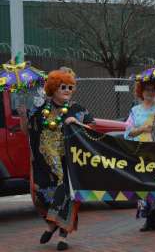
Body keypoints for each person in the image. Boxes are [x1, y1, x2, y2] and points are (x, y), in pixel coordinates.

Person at [19, 69, 94, 251]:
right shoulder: (40, 109)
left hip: (68, 162)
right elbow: (26, 131)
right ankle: (52, 225)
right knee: (42, 197)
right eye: (63, 87)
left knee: (67, 197)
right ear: (53, 88)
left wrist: (76, 123)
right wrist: (22, 115)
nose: (68, 90)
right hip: (44, 163)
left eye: (70, 87)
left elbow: (90, 130)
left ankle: (63, 236)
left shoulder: (77, 109)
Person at [124, 79, 155, 232]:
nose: (149, 92)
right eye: (147, 90)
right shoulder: (135, 110)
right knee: (143, 185)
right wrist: (143, 129)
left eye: (152, 90)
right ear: (141, 92)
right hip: (140, 154)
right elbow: (128, 133)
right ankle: (148, 217)